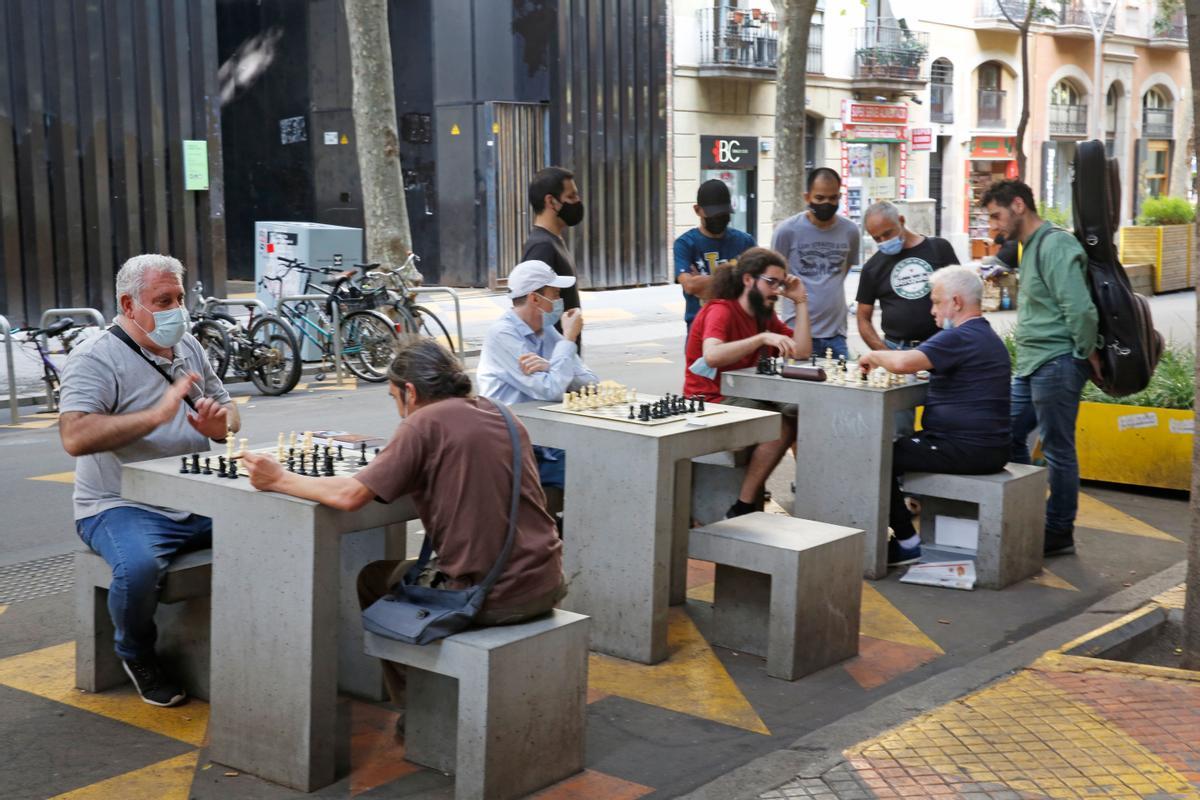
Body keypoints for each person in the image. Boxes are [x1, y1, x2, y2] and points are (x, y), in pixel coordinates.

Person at [240, 338, 566, 708]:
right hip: (546, 578)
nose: (398, 411)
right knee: (406, 572)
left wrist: (279, 480)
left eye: (394, 398)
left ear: (410, 392)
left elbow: (350, 496)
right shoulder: (504, 415)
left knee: (373, 580)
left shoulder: (423, 422)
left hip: (490, 596)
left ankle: (419, 710)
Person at [59, 254, 240, 707]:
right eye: (163, 300)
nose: (177, 310)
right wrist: (154, 415)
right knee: (138, 569)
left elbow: (228, 409)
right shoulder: (95, 358)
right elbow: (75, 436)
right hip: (120, 505)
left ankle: (259, 642)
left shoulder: (190, 347)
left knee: (276, 527)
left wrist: (221, 425)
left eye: (179, 297)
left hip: (198, 497)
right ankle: (137, 653)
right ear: (129, 304)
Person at [857, 266, 1011, 566]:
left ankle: (907, 541)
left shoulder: (960, 337)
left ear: (956, 302)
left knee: (874, 455)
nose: (931, 311)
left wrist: (873, 356)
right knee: (897, 449)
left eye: (936, 301)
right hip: (985, 447)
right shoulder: (983, 334)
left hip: (966, 448)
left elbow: (902, 362)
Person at [982, 179, 1100, 556]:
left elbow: (1079, 309)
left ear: (1018, 205)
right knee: (1010, 435)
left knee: (1057, 449)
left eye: (997, 215)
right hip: (1033, 362)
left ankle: (1058, 529)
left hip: (1058, 361)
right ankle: (1029, 512)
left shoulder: (1055, 243)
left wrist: (1086, 354)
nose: (995, 225)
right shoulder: (1026, 246)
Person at [683, 247, 812, 518]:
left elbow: (801, 351)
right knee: (779, 424)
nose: (776, 290)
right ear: (748, 280)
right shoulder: (721, 310)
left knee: (799, 412)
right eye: (771, 282)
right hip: (709, 400)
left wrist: (800, 302)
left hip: (743, 396)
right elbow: (713, 354)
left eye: (780, 283)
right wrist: (761, 339)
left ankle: (807, 498)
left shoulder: (763, 314)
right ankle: (743, 505)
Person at [476, 260, 598, 510]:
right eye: (554, 294)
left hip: (548, 441)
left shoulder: (547, 332)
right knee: (593, 473)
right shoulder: (503, 334)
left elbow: (591, 383)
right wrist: (569, 339)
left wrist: (552, 365)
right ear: (535, 298)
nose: (560, 300)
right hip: (513, 450)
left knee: (602, 462)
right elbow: (551, 390)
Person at [771, 167, 860, 359]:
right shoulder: (787, 231)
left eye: (833, 198)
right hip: (796, 331)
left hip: (836, 334)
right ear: (807, 197)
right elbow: (775, 277)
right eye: (820, 198)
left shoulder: (851, 231)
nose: (827, 203)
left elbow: (843, 271)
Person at [855, 201, 958, 352]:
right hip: (897, 348)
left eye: (887, 233)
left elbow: (963, 296)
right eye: (877, 238)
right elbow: (863, 318)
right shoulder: (872, 267)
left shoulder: (939, 249)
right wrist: (886, 355)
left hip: (940, 346)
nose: (884, 241)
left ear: (901, 221)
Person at [674, 179, 756, 332]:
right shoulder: (685, 244)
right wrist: (737, 280)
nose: (719, 218)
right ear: (697, 210)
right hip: (700, 328)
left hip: (738, 327)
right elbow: (690, 286)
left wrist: (704, 283)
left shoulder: (745, 242)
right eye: (713, 214)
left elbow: (756, 285)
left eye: (723, 213)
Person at [522, 166, 585, 353]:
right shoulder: (542, 247)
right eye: (571, 196)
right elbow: (531, 311)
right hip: (553, 363)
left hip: (563, 358)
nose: (578, 202)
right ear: (551, 201)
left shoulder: (553, 240)